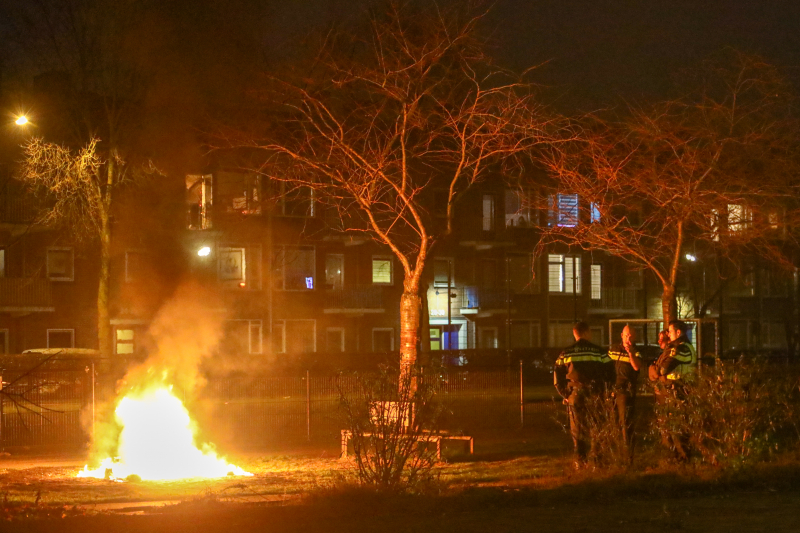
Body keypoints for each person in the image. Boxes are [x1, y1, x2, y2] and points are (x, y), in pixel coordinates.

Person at [554, 321, 611, 467]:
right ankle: (598, 461)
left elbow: (557, 377)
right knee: (596, 427)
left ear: (575, 334)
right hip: (595, 393)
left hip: (576, 394)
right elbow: (611, 373)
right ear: (586, 333)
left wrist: (566, 394)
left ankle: (580, 461)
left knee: (577, 430)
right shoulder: (598, 351)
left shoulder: (566, 352)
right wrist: (607, 391)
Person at [649, 320, 697, 462]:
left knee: (678, 426)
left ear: (678, 332)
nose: (668, 335)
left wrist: (655, 369)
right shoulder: (674, 348)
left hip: (680, 389)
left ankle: (683, 458)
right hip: (672, 390)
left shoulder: (682, 349)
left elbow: (662, 369)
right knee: (670, 425)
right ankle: (674, 457)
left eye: (669, 332)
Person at [607, 325, 642, 461]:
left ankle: (628, 454)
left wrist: (630, 353)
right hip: (613, 391)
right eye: (627, 335)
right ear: (622, 335)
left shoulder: (636, 351)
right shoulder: (613, 350)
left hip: (626, 392)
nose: (629, 338)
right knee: (614, 422)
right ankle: (615, 452)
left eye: (632, 335)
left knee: (625, 423)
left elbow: (637, 367)